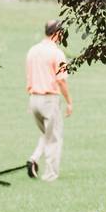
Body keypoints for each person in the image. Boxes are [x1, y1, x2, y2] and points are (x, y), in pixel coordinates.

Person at [25, 19, 73, 181]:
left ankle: (33, 159)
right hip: (49, 100)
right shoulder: (57, 53)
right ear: (58, 33)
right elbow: (61, 80)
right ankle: (50, 175)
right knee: (54, 138)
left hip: (33, 99)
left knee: (46, 133)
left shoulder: (32, 50)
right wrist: (69, 102)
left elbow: (29, 76)